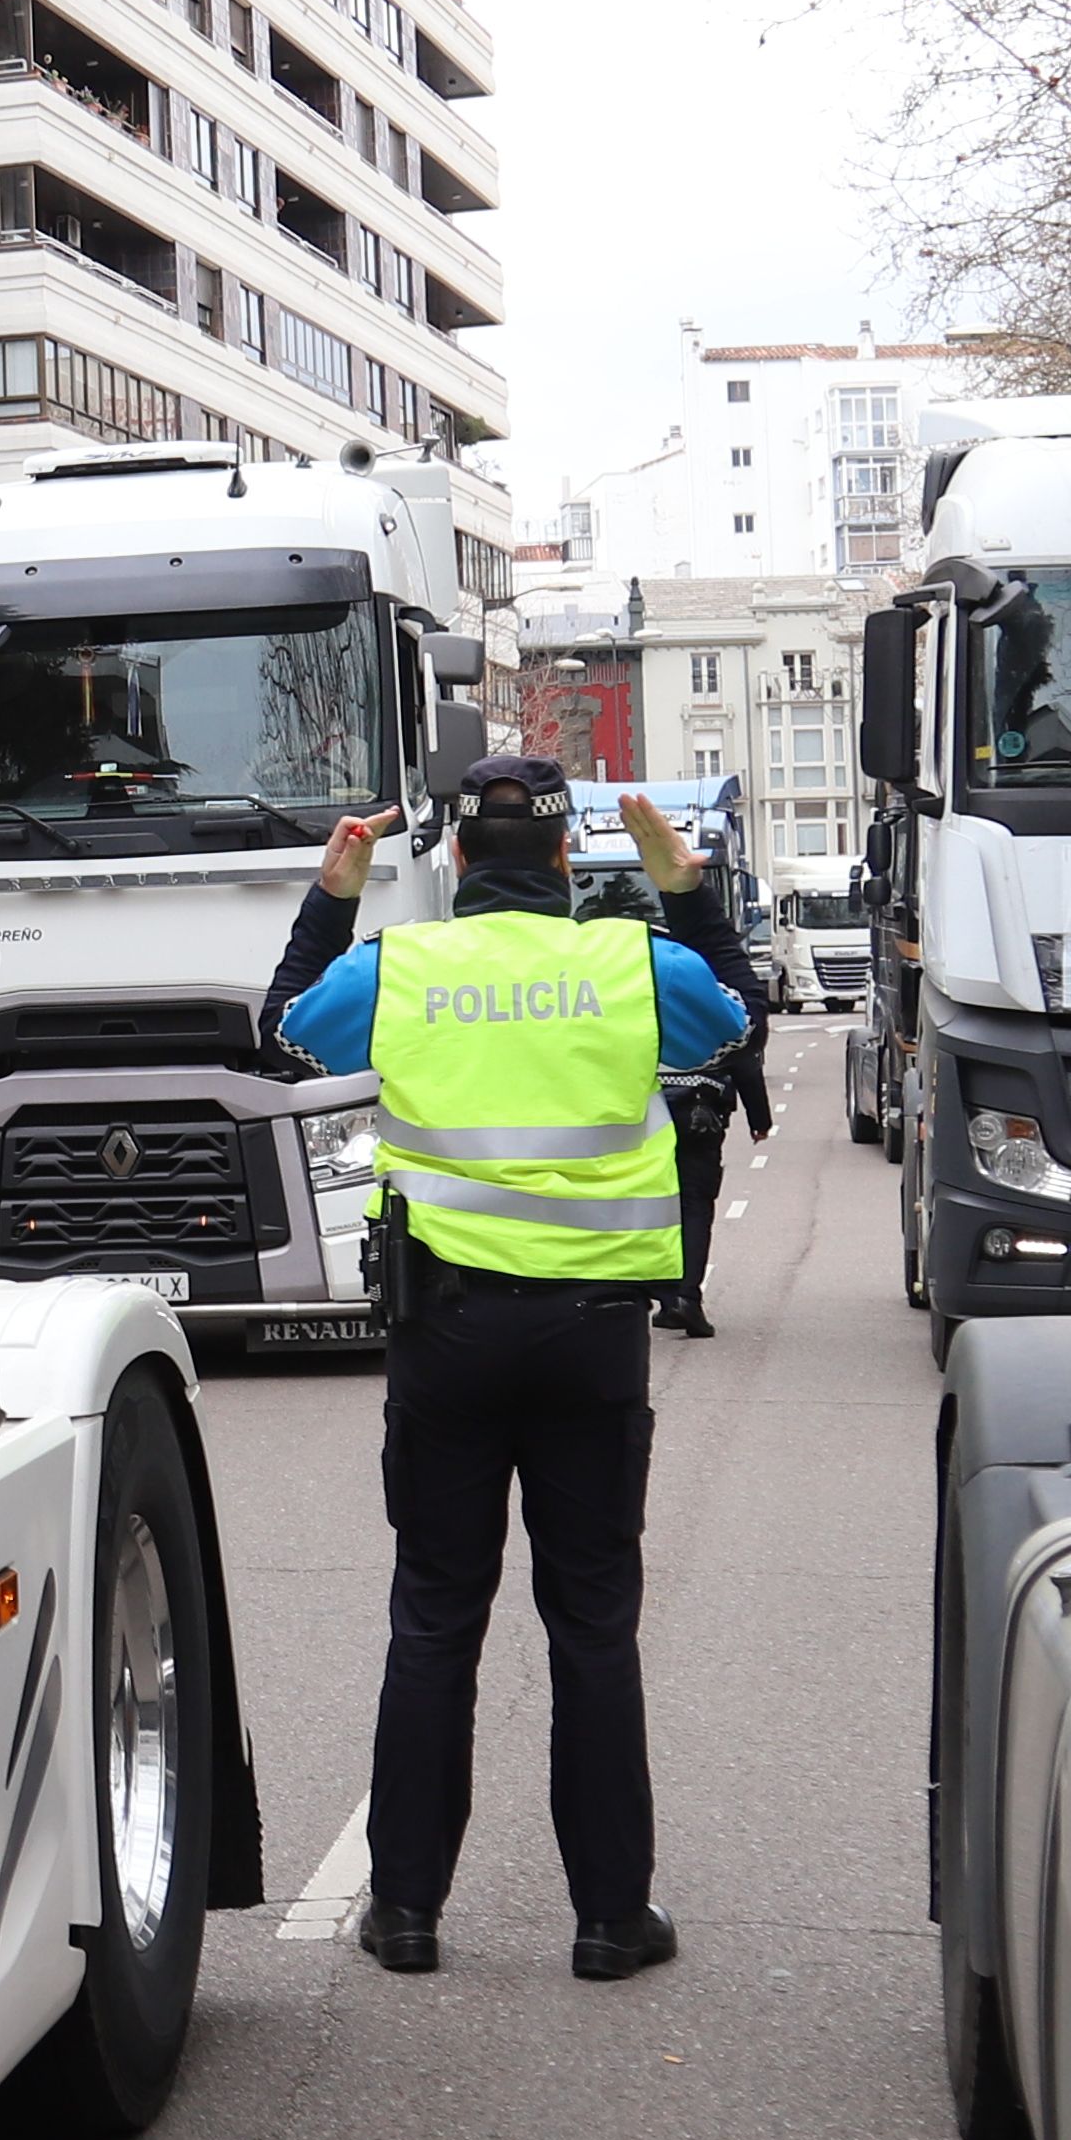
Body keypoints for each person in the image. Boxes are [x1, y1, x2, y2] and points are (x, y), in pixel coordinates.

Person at [267, 756, 754, 1980]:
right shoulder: (635, 965)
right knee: (592, 1623)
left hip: (447, 1338)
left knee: (435, 1617)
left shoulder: (403, 965)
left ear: (462, 861)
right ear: (563, 858)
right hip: (592, 1341)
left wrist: (336, 897)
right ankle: (608, 1919)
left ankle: (408, 1911)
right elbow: (741, 1018)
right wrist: (684, 889)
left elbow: (283, 1026)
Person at [622, 794, 772, 1338]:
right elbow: (744, 1040)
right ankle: (685, 1294)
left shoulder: (602, 989)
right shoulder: (690, 981)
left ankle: (657, 1292)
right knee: (694, 1202)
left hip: (645, 1109)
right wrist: (760, 1114)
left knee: (650, 1199)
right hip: (701, 1107)